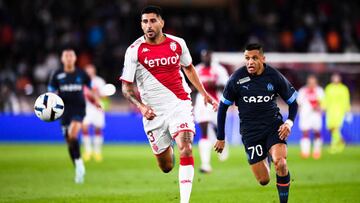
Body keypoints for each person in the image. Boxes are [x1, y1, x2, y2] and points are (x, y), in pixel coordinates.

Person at [120, 6, 217, 203]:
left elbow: (189, 68)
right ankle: (169, 146)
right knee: (166, 167)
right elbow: (126, 89)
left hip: (179, 103)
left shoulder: (178, 43)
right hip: (153, 113)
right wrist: (141, 107)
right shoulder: (134, 51)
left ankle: (184, 200)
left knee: (187, 146)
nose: (149, 25)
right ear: (141, 25)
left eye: (153, 20)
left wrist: (204, 93)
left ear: (162, 22)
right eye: (145, 21)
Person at [214, 43, 298, 203]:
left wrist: (288, 123)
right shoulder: (236, 79)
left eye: (254, 58)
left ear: (262, 59)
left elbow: (293, 103)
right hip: (251, 133)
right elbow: (223, 108)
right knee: (264, 180)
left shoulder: (274, 76)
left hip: (274, 127)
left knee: (281, 163)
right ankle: (266, 155)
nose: (250, 62)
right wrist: (220, 137)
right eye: (247, 58)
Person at [48, 49, 101, 184]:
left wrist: (96, 102)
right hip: (64, 110)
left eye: (71, 55)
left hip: (79, 109)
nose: (69, 58)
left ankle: (79, 166)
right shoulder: (57, 75)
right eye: (66, 56)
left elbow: (91, 90)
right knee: (69, 141)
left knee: (73, 135)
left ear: (75, 58)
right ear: (62, 59)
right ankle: (78, 164)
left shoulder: (81, 74)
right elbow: (50, 93)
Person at [194, 49, 229, 173]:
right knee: (204, 131)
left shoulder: (219, 70)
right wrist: (201, 86)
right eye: (203, 57)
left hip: (216, 102)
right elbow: (193, 87)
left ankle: (222, 144)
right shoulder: (197, 69)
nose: (205, 58)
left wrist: (213, 84)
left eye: (207, 56)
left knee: (216, 129)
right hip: (202, 103)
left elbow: (227, 86)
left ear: (211, 56)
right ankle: (205, 164)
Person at [82, 64, 106, 162]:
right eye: (88, 70)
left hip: (97, 107)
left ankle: (97, 152)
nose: (89, 72)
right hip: (86, 107)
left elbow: (104, 95)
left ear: (94, 71)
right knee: (84, 126)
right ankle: (88, 151)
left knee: (98, 129)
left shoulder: (99, 81)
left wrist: (96, 95)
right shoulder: (81, 82)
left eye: (91, 70)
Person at [322, 73, 351, 154]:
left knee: (336, 128)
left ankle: (334, 146)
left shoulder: (343, 88)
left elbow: (346, 99)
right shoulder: (329, 88)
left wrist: (347, 109)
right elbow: (325, 98)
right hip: (330, 111)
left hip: (339, 111)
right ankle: (341, 141)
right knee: (330, 128)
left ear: (339, 79)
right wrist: (323, 106)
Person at [297, 75, 324, 159]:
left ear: (316, 82)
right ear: (307, 82)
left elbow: (323, 102)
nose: (312, 84)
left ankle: (317, 151)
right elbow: (298, 102)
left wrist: (319, 106)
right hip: (305, 115)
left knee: (317, 133)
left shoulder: (319, 91)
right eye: (310, 82)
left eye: (313, 82)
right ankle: (305, 152)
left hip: (316, 115)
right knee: (305, 133)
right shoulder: (302, 91)